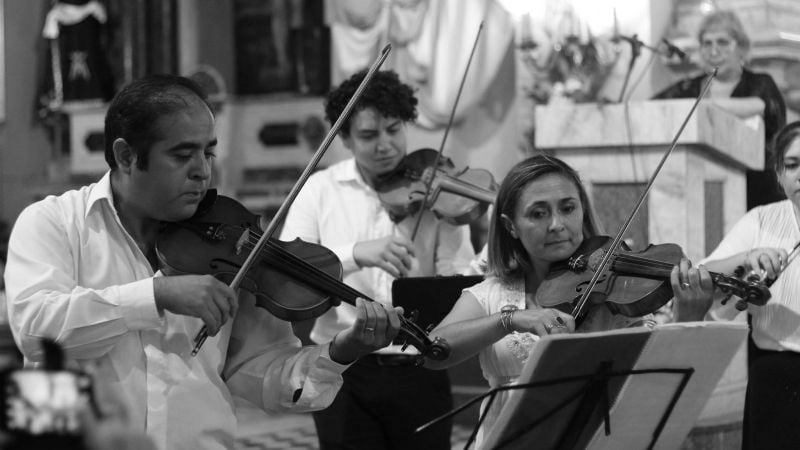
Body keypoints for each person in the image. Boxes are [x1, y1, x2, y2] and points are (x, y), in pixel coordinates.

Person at [3, 74, 404, 450]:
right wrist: (156, 294)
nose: (203, 171)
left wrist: (340, 352)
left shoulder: (231, 248)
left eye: (208, 152)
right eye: (182, 155)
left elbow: (261, 371)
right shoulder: (54, 224)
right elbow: (38, 331)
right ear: (126, 155)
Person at [425, 154, 715, 447]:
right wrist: (510, 319)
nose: (556, 224)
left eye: (567, 208)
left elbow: (654, 385)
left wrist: (688, 318)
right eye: (538, 213)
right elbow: (432, 350)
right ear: (510, 225)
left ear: (583, 211)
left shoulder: (615, 296)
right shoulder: (493, 293)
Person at [279, 69, 475, 449]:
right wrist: (356, 253)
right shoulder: (319, 189)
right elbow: (286, 267)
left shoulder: (436, 194)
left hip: (422, 364)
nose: (386, 145)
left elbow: (460, 274)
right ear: (346, 139)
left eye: (394, 129)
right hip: (341, 367)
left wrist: (453, 280)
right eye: (369, 135)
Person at [679, 121, 800, 449]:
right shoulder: (761, 219)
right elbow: (702, 275)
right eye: (792, 165)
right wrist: (748, 256)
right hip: (775, 377)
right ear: (778, 173)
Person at [653, 9, 786, 210]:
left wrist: (703, 106)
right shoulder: (688, 88)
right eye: (707, 43)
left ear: (741, 48)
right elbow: (652, 110)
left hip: (757, 194)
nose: (713, 51)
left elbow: (762, 107)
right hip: (696, 193)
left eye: (722, 42)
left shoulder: (760, 83)